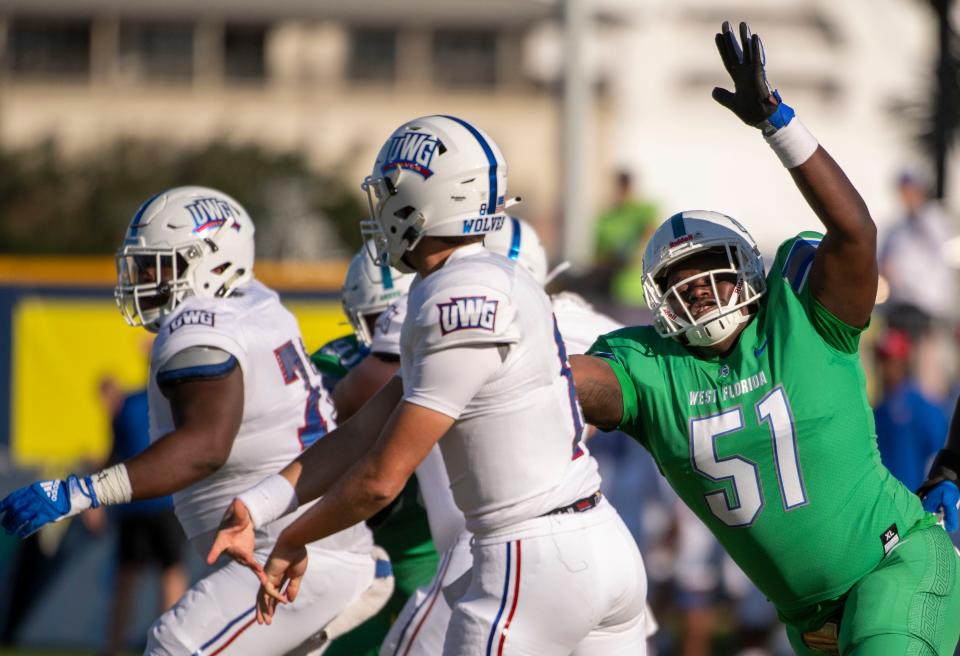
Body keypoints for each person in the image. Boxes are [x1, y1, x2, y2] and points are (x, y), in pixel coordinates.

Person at [570, 22, 960, 655]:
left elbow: (855, 233)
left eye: (707, 267)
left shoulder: (802, 317)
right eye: (677, 278)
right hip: (808, 618)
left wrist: (778, 124)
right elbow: (570, 383)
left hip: (895, 564)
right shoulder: (650, 367)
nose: (695, 286)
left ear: (746, 266)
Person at [208, 115, 650, 655]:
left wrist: (296, 538)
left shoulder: (455, 297)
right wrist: (259, 504)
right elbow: (368, 426)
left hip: (529, 559)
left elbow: (379, 478)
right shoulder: (484, 278)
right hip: (598, 545)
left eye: (390, 191)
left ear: (424, 200)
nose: (381, 207)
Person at [0, 186, 387, 654]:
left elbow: (204, 447)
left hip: (287, 553)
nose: (143, 277)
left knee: (176, 645)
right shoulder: (256, 304)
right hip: (296, 545)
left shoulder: (201, 324)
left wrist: (79, 492)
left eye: (158, 265)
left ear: (213, 264)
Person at [381, 215, 656, 656]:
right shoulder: (575, 317)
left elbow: (370, 431)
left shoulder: (449, 302)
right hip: (602, 537)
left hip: (510, 549)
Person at [311, 247, 439, 656]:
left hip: (430, 542)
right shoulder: (335, 364)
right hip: (353, 544)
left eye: (395, 320)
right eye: (376, 322)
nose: (389, 335)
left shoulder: (452, 354)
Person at [103, 382, 189, 655]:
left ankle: (115, 647)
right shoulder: (178, 400)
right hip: (160, 500)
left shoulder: (129, 403)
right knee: (169, 572)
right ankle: (167, 645)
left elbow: (113, 456)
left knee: (134, 576)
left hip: (138, 500)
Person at [872, 328, 948, 492]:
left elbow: (940, 455)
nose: (886, 367)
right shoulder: (878, 411)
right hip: (884, 501)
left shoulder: (924, 409)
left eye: (892, 360)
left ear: (903, 362)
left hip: (915, 501)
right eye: (882, 359)